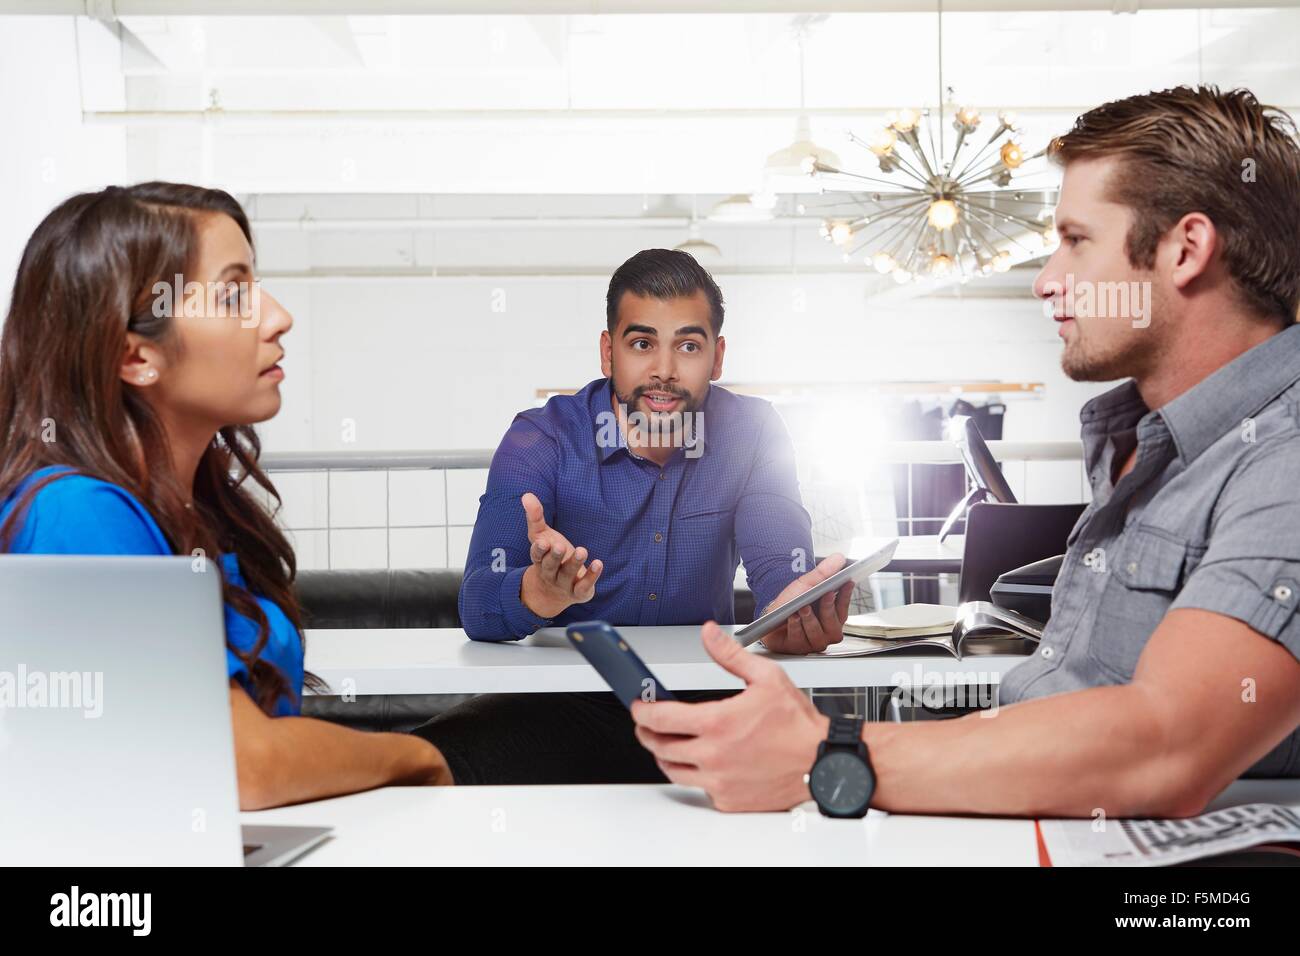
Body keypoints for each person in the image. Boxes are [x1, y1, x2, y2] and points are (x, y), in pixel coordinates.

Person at [631, 85, 1300, 816]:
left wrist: (828, 751)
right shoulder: (1149, 446)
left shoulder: (1284, 457)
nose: (1047, 281)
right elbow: (1080, 705)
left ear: (1186, 249)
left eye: (1076, 240)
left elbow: (1168, 743)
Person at [0, 183, 452, 809]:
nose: (277, 316)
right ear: (136, 356)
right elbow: (241, 766)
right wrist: (419, 757)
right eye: (235, 293)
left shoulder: (197, 511)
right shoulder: (73, 514)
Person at [414, 248, 855, 785]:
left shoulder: (754, 430)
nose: (664, 371)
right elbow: (479, 605)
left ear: (717, 358)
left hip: (706, 703)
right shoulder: (540, 437)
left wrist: (790, 617)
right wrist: (539, 593)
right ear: (608, 352)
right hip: (561, 705)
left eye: (687, 346)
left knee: (831, 781)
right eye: (642, 344)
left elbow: (778, 573)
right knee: (417, 767)